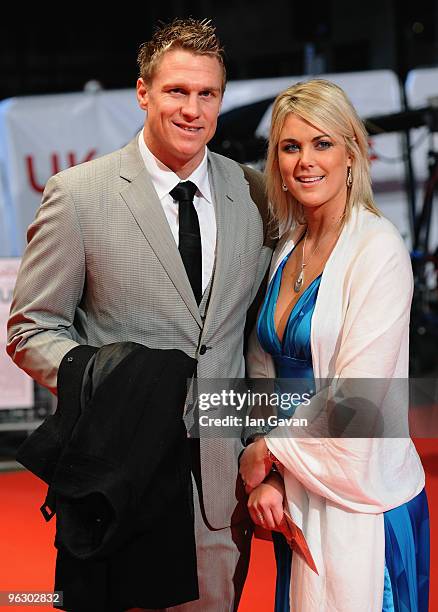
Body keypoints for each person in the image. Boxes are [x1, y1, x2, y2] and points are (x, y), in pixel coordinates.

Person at [7, 18, 273, 611]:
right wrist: (109, 378)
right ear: (143, 93)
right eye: (177, 91)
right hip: (118, 479)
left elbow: (254, 331)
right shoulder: (78, 194)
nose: (192, 109)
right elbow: (30, 326)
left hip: (219, 485)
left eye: (207, 94)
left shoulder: (252, 192)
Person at [239, 79, 429, 611]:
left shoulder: (380, 251)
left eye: (322, 143)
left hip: (363, 500)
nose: (305, 161)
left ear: (353, 153)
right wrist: (270, 475)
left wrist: (269, 453)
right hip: (296, 494)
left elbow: (356, 400)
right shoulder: (285, 248)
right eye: (290, 146)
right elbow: (263, 375)